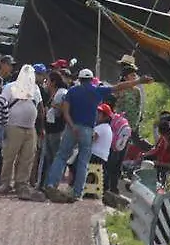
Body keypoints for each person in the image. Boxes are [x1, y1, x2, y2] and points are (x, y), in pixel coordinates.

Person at [43, 67, 154, 202]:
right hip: (88, 129)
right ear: (90, 80)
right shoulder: (96, 90)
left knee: (61, 156)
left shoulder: (72, 91)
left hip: (71, 128)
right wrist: (138, 81)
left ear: (80, 79)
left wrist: (72, 125)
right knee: (83, 161)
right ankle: (77, 193)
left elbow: (66, 110)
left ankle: (51, 185)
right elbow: (119, 87)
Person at [0, 65, 42, 196]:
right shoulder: (10, 87)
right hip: (14, 125)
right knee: (9, 156)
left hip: (30, 127)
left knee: (27, 157)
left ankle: (21, 183)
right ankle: (5, 183)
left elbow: (39, 106)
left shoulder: (35, 88)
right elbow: (3, 104)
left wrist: (40, 128)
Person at [40, 70, 69, 183]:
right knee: (48, 158)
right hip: (50, 129)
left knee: (54, 158)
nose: (46, 83)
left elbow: (64, 109)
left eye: (48, 80)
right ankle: (47, 182)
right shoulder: (54, 93)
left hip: (57, 130)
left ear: (53, 82)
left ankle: (52, 183)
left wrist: (55, 106)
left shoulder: (62, 93)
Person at [114, 55, 145, 138]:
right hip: (120, 120)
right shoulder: (120, 85)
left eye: (124, 64)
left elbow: (139, 103)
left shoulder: (137, 83)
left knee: (133, 138)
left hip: (133, 119)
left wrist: (138, 116)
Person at [106, 107, 131, 194]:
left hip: (112, 144)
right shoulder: (126, 123)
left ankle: (105, 186)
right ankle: (114, 187)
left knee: (108, 166)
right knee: (117, 166)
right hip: (122, 142)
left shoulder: (111, 118)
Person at [90, 105, 114, 169]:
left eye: (99, 113)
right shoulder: (107, 128)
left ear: (106, 117)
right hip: (102, 158)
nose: (96, 115)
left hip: (95, 155)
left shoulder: (101, 127)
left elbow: (91, 139)